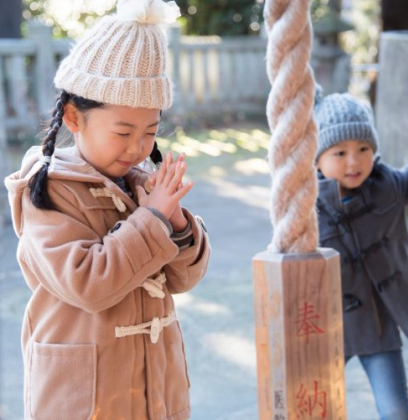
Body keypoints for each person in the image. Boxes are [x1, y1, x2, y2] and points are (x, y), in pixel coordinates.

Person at [4, 0, 210, 418]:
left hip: (155, 386)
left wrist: (175, 222)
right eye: (123, 132)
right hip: (85, 395)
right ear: (74, 118)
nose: (136, 148)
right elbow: (88, 284)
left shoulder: (139, 185)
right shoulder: (47, 190)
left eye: (150, 132)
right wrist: (151, 220)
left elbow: (184, 279)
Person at [315, 89, 408, 420]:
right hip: (326, 325)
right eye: (339, 151)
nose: (353, 161)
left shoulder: (387, 184)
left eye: (363, 149)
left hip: (377, 323)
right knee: (312, 404)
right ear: (317, 159)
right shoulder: (305, 206)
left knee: (397, 410)